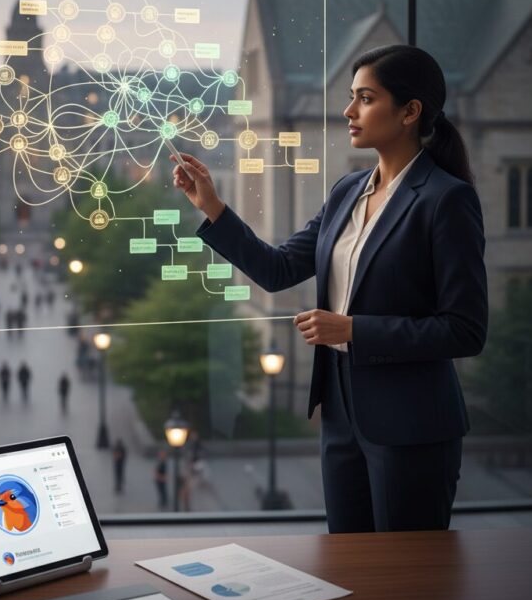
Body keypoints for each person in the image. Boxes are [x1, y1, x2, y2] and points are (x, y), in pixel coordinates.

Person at [171, 45, 488, 533]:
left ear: (409, 112)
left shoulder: (447, 200)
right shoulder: (347, 190)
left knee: (403, 580)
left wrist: (355, 329)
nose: (348, 111)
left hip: (412, 426)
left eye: (365, 98)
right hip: (340, 415)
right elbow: (278, 270)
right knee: (347, 565)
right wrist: (212, 207)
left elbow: (465, 330)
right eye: (351, 97)